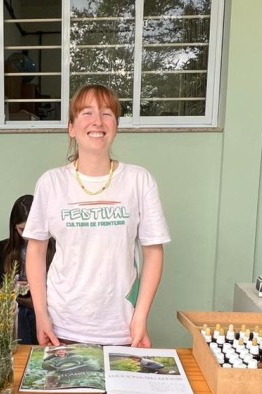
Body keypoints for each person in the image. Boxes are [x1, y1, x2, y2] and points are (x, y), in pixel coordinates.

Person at [23, 84, 170, 347]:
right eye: (87, 113)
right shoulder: (51, 183)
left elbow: (154, 252)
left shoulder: (138, 180)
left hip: (121, 328)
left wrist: (140, 317)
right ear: (71, 127)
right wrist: (41, 315)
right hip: (61, 327)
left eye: (107, 114)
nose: (98, 122)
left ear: (116, 126)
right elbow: (36, 251)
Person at [0, 194, 54, 344]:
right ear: (14, 227)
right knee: (19, 314)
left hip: (44, 309)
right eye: (22, 229)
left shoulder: (54, 248)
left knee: (30, 314)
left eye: (32, 229)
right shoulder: (2, 249)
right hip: (13, 310)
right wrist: (13, 290)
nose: (27, 234)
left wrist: (36, 287)